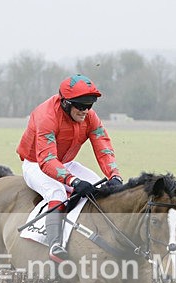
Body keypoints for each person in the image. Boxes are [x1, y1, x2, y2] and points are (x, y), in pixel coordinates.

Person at [16, 74, 124, 263]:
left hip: (65, 163)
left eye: (89, 105)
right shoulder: (46, 116)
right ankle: (55, 245)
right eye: (81, 106)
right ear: (65, 103)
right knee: (57, 192)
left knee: (101, 191)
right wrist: (73, 181)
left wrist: (114, 176)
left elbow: (103, 147)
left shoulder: (90, 117)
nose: (85, 111)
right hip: (36, 164)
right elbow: (47, 160)